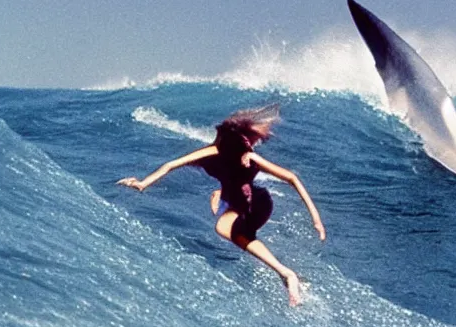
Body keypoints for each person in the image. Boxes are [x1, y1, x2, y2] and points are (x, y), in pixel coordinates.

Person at [117, 105, 326, 306]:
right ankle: (286, 274)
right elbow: (237, 178)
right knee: (234, 232)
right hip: (253, 200)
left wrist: (143, 183)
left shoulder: (219, 153)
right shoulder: (239, 155)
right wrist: (221, 192)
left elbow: (290, 178)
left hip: (254, 202)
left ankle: (286, 274)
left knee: (229, 230)